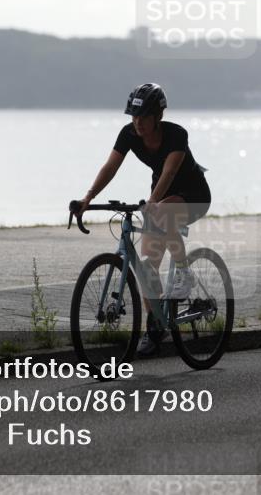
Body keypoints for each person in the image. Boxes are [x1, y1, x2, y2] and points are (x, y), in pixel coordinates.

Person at [75, 83, 211, 356]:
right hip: (159, 196)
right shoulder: (129, 134)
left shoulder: (176, 135)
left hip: (193, 194)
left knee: (164, 211)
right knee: (148, 266)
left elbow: (170, 173)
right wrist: (87, 198)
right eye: (133, 116)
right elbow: (111, 166)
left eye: (143, 117)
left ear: (158, 116)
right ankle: (156, 326)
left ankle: (184, 272)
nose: (137, 123)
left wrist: (152, 204)